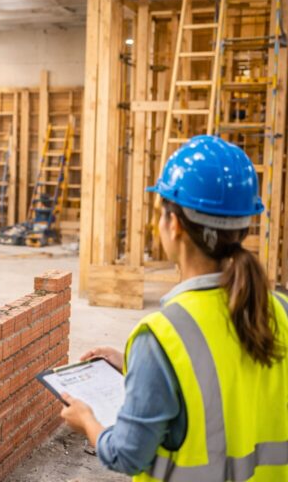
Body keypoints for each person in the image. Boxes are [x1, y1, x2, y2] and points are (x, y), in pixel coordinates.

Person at [61, 135, 288, 481]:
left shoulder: (163, 336)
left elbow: (125, 454)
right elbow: (227, 378)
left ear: (174, 224)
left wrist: (87, 420)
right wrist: (135, 367)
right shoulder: (281, 309)